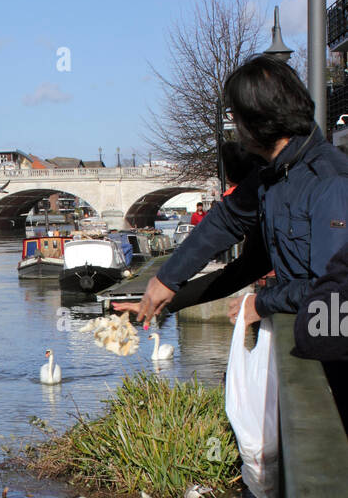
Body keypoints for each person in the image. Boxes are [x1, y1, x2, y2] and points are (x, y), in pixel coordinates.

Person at [117, 55, 348, 328]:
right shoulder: (271, 176)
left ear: (258, 119)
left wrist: (261, 303)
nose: (235, 129)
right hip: (304, 342)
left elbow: (334, 292)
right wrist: (165, 286)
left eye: (235, 117)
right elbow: (226, 226)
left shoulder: (329, 182)